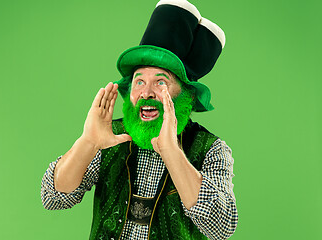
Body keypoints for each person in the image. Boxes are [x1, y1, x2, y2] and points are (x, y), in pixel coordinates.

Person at [41, 1, 238, 239]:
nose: (147, 93)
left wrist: (171, 152)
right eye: (139, 81)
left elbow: (222, 227)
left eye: (161, 82)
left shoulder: (211, 149)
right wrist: (87, 143)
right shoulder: (109, 136)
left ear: (185, 95)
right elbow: (53, 198)